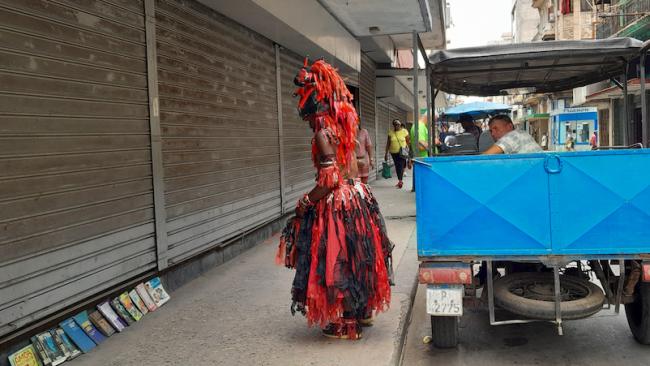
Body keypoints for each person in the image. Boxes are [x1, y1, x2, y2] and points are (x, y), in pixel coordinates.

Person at [276, 59, 392, 340]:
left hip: (339, 203)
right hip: (358, 197)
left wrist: (304, 202)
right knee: (357, 256)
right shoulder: (344, 129)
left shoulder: (322, 133)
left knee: (338, 258)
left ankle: (345, 322)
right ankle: (363, 311)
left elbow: (329, 180)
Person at [384, 119, 410, 189]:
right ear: (393, 125)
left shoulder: (404, 131)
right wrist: (386, 153)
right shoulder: (391, 133)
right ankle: (400, 180)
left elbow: (408, 142)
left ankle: (400, 181)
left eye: (398, 124)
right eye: (395, 124)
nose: (397, 126)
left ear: (400, 124)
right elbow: (388, 143)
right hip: (393, 152)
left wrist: (408, 151)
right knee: (397, 166)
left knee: (400, 165)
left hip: (402, 152)